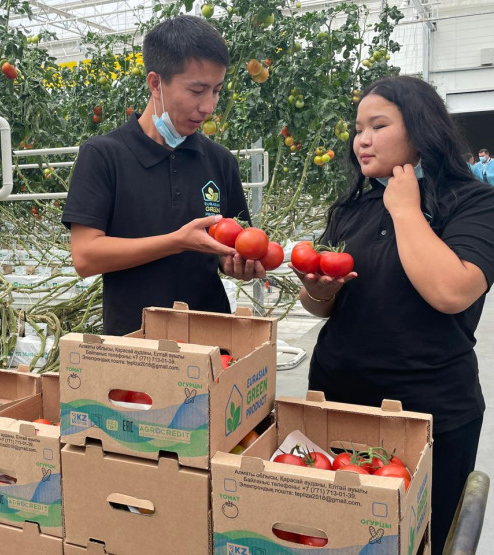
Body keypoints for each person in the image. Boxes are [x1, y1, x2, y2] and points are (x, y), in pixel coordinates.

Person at [292, 75, 494, 555]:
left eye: (378, 126)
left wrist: (406, 210)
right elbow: (322, 306)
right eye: (358, 129)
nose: (362, 139)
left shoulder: (472, 202)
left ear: (421, 129)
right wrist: (317, 291)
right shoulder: (352, 208)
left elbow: (451, 291)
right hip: (340, 402)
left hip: (430, 414)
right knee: (336, 537)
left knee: (423, 538)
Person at [62, 15, 264, 336]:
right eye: (197, 91)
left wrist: (236, 263)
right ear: (156, 83)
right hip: (135, 341)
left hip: (211, 340)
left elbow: (229, 248)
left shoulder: (220, 161)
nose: (209, 106)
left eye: (216, 91)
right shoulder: (104, 155)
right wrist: (176, 242)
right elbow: (86, 257)